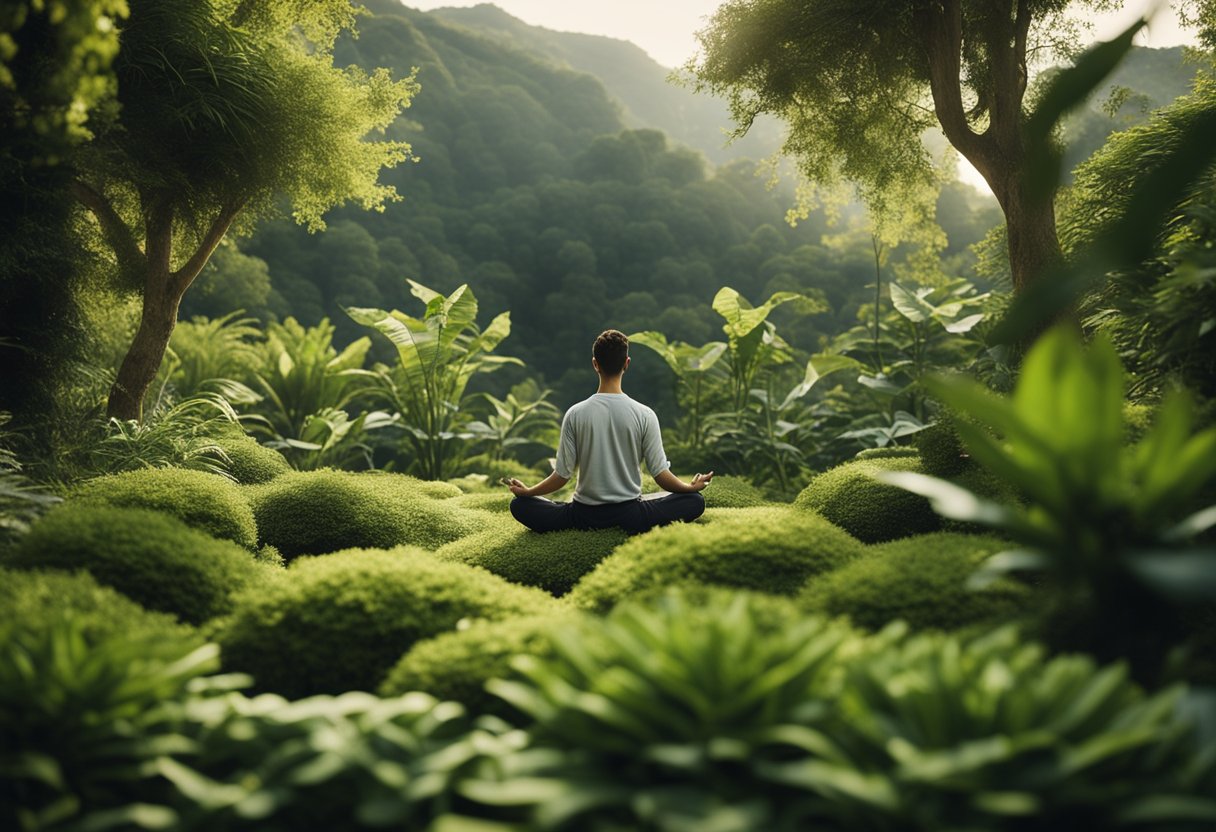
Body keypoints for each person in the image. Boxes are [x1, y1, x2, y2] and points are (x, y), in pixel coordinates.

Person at [506, 329, 712, 535]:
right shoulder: (645, 414)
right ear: (627, 363)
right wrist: (689, 488)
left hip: (582, 515)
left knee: (520, 506)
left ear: (595, 364)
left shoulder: (575, 413)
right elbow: (660, 474)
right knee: (694, 502)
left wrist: (528, 492)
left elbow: (562, 475)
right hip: (631, 514)